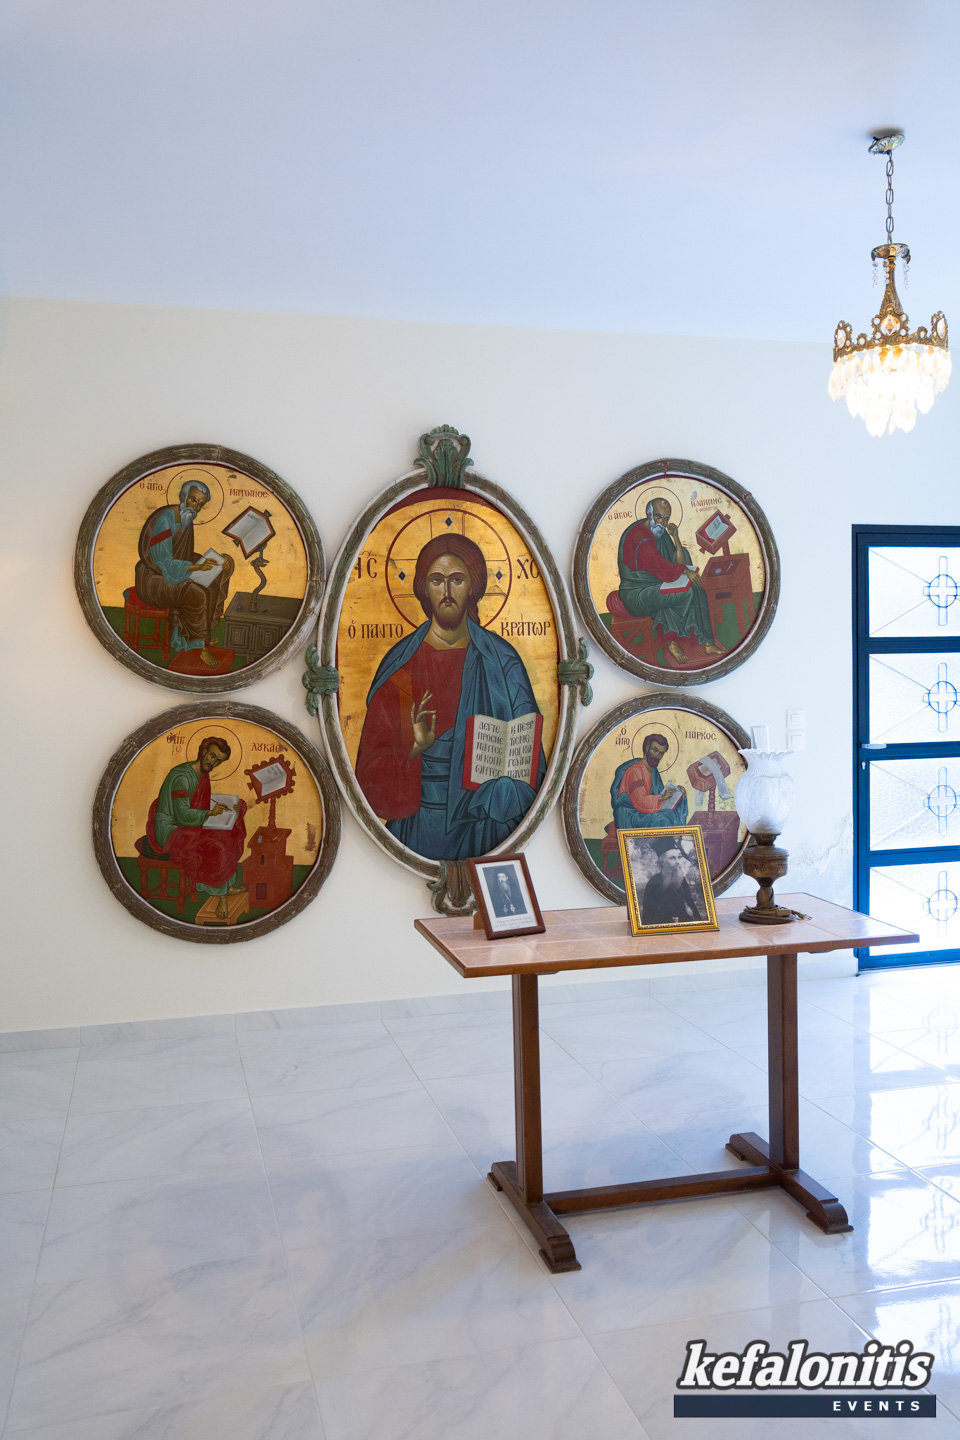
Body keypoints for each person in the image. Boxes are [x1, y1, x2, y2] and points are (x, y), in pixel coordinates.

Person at [355, 533, 547, 861]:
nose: (446, 591)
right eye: (436, 580)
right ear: (423, 589)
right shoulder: (401, 666)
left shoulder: (503, 662)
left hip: (484, 825)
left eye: (456, 579)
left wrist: (502, 791)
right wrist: (415, 747)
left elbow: (528, 756)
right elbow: (368, 770)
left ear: (472, 587)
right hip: (419, 827)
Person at [135, 479, 234, 669]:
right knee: (198, 593)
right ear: (183, 496)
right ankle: (199, 646)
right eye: (193, 500)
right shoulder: (165, 520)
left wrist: (219, 562)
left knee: (213, 581)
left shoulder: (186, 518)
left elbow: (182, 555)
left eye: (200, 504)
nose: (196, 507)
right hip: (153, 578)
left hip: (171, 571)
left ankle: (200, 635)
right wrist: (197, 568)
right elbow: (162, 560)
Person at [146, 736, 247, 920]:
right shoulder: (182, 777)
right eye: (212, 756)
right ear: (204, 752)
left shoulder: (202, 774)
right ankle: (221, 896)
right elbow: (182, 815)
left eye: (219, 761)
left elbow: (199, 803)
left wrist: (233, 806)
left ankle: (227, 884)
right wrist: (209, 813)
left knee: (228, 835)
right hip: (171, 829)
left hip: (191, 824)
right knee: (214, 847)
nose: (213, 763)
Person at [616, 497, 724, 666]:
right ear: (649, 514)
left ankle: (707, 642)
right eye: (659, 517)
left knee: (697, 587)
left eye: (666, 519)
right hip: (637, 593)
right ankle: (673, 642)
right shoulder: (640, 536)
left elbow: (677, 562)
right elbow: (661, 567)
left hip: (656, 582)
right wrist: (684, 571)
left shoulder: (659, 532)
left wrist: (676, 538)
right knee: (684, 593)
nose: (662, 522)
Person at [610, 732, 689, 832]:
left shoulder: (654, 772)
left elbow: (659, 793)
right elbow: (640, 801)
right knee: (663, 820)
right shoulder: (635, 771)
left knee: (681, 802)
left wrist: (676, 792)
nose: (657, 756)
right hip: (633, 816)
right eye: (655, 750)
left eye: (661, 753)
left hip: (648, 811)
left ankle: (680, 835)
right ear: (647, 748)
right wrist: (661, 797)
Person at [639, 837, 705, 926]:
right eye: (672, 858)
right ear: (663, 862)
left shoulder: (681, 880)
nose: (678, 862)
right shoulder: (653, 883)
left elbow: (691, 905)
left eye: (678, 857)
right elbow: (649, 916)